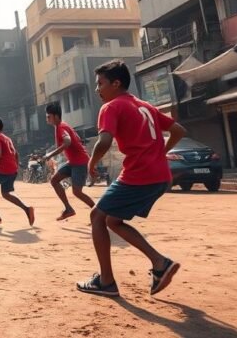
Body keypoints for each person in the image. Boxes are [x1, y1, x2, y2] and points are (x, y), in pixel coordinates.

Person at [77, 60, 185, 298]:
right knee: (112, 220)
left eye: (100, 84)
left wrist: (91, 163)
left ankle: (106, 282)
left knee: (97, 216)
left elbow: (103, 142)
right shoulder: (144, 105)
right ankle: (159, 264)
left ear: (116, 83)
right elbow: (179, 130)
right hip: (160, 175)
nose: (97, 89)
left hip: (139, 174)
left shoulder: (111, 107)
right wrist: (160, 152)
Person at [44, 104, 95, 220]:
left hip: (80, 162)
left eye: (48, 116)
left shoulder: (61, 127)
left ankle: (98, 212)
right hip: (73, 162)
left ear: (56, 116)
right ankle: (68, 209)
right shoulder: (61, 127)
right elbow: (75, 138)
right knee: (54, 180)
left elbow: (67, 142)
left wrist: (50, 155)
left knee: (77, 192)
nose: (47, 119)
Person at [0, 117, 34, 227]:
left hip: (4, 170)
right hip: (12, 170)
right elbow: (16, 153)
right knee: (6, 193)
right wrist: (16, 166)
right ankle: (27, 209)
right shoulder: (7, 138)